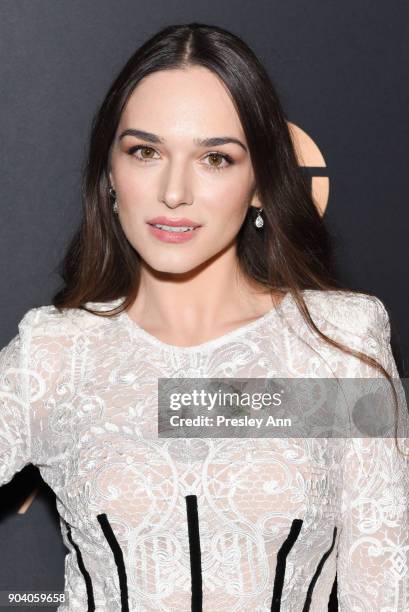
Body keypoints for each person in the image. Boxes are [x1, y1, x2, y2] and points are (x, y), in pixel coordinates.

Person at [1, 22, 408, 612]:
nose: (174, 191)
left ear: (262, 182)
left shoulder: (339, 345)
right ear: (110, 176)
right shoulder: (56, 352)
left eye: (215, 158)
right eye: (145, 151)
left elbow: (384, 590)